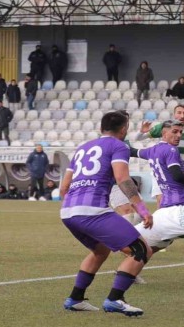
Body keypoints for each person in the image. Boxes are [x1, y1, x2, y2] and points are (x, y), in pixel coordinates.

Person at [60, 111, 154, 316]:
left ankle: (75, 299)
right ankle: (115, 299)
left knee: (100, 251)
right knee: (141, 250)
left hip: (67, 212)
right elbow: (123, 179)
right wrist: (143, 209)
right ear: (124, 129)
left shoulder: (82, 148)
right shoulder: (119, 146)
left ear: (101, 128)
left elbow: (64, 187)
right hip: (93, 210)